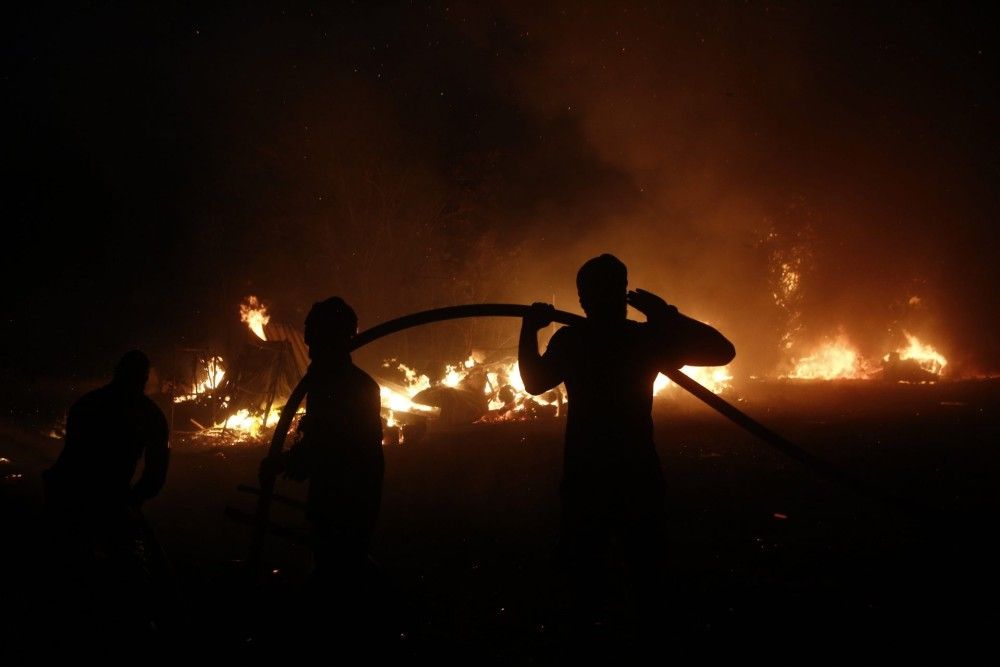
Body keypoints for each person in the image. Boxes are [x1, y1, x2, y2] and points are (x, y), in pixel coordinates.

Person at [518, 254, 735, 640]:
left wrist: (529, 330)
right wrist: (667, 316)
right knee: (645, 571)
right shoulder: (644, 340)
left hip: (586, 473)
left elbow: (534, 382)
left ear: (583, 299)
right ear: (622, 294)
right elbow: (721, 351)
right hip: (637, 471)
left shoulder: (574, 340)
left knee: (583, 575)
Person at [259, 297, 384, 592]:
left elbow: (329, 447)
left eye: (314, 339)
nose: (309, 348)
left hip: (347, 502)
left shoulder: (347, 388)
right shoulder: (329, 383)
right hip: (344, 501)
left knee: (339, 577)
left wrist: (284, 464)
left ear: (332, 339)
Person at [42, 349, 170, 634]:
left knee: (89, 563)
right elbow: (154, 473)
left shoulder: (92, 404)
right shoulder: (146, 414)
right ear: (143, 378)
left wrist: (132, 499)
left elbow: (154, 473)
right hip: (82, 492)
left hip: (81, 492)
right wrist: (133, 499)